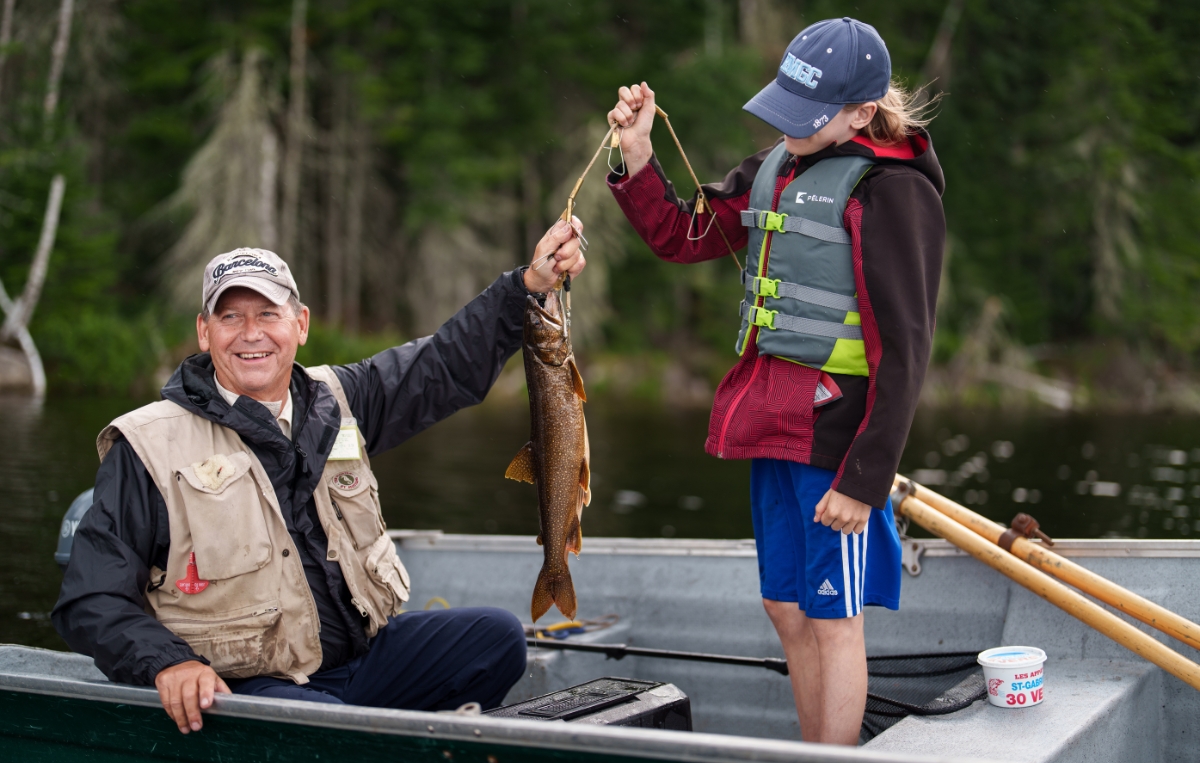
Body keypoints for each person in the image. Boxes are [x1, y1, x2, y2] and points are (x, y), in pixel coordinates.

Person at [51, 220, 587, 735]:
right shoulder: (147, 445)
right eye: (231, 317)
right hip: (251, 689)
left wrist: (528, 286)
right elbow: (90, 599)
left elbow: (443, 366)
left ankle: (369, 737)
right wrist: (169, 665)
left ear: (300, 324)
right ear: (204, 330)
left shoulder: (341, 398)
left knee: (496, 639)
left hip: (360, 663)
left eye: (268, 313)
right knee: (319, 722)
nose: (251, 334)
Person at [606, 18, 944, 745]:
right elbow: (682, 235)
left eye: (806, 113)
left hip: (836, 441)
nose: (786, 126)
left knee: (832, 617)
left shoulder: (893, 193)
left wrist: (866, 478)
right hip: (771, 423)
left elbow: (906, 348)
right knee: (786, 609)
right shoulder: (781, 165)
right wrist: (637, 158)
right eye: (784, 105)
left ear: (861, 112)